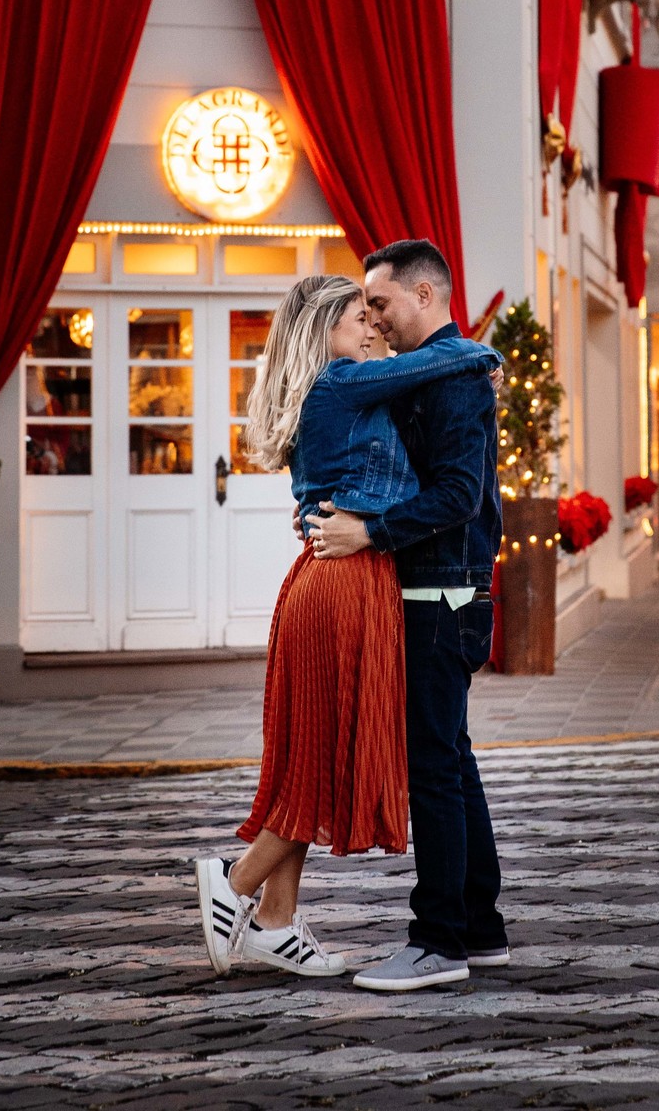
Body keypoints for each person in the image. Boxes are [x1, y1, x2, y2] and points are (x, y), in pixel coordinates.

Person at [194, 273, 500, 980]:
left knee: (318, 753)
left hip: (346, 578)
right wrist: (479, 354)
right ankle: (235, 881)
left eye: (374, 315)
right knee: (322, 758)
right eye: (359, 319)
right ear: (322, 332)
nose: (372, 331)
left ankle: (275, 920)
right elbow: (427, 362)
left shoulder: (344, 387)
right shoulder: (337, 383)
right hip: (340, 583)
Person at [307, 238, 509, 993]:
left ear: (426, 296)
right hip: (444, 591)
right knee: (451, 762)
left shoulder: (454, 379)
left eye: (382, 303)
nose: (377, 320)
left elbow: (459, 493)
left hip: (440, 595)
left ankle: (438, 942)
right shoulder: (435, 372)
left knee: (434, 769)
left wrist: (370, 532)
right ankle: (479, 931)